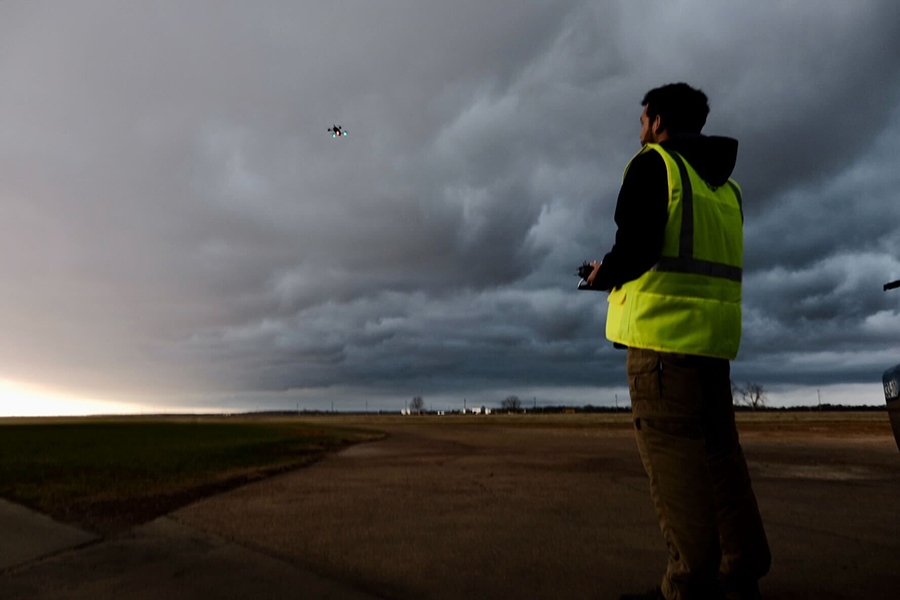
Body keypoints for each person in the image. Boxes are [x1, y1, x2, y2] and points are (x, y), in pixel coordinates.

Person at [584, 83, 771, 600]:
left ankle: (689, 587)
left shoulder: (654, 165)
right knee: (720, 462)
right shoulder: (723, 187)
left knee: (676, 471)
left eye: (644, 120)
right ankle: (742, 568)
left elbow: (638, 247)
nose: (640, 130)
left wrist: (605, 274)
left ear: (659, 121)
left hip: (662, 350)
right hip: (711, 348)